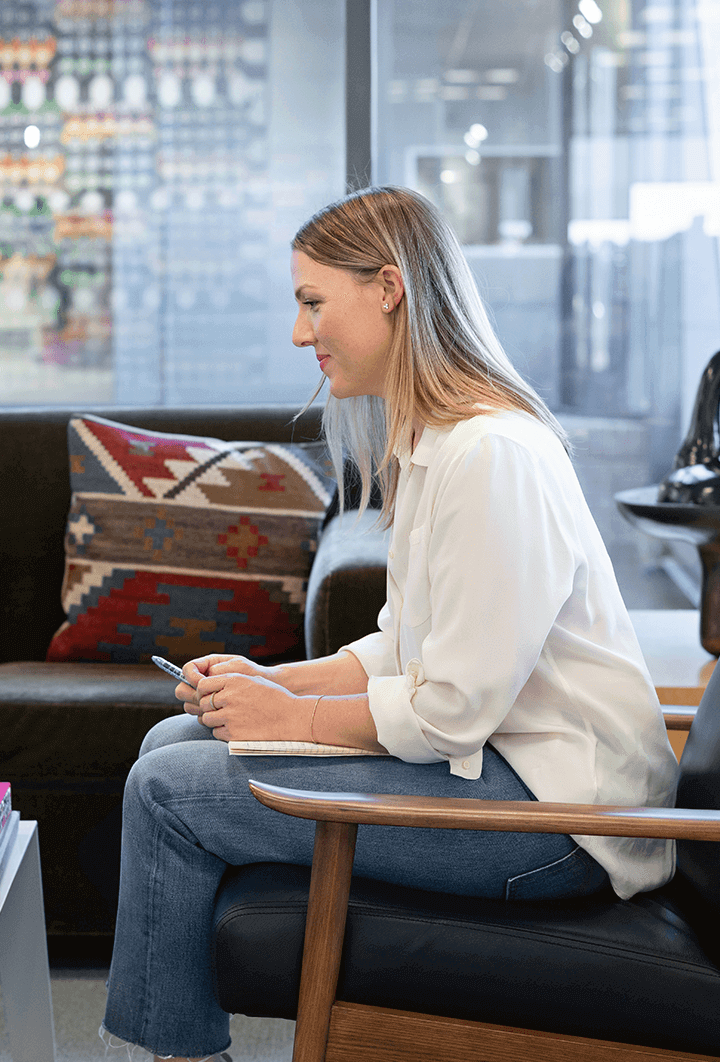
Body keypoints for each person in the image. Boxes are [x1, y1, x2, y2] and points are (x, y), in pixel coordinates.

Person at [100, 186, 679, 1062]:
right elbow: (401, 649)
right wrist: (265, 683)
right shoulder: (440, 444)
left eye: (311, 302)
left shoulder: (491, 456)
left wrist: (289, 722)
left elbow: (450, 709)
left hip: (562, 825)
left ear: (389, 288)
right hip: (506, 777)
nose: (300, 335)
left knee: (168, 792)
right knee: (170, 738)